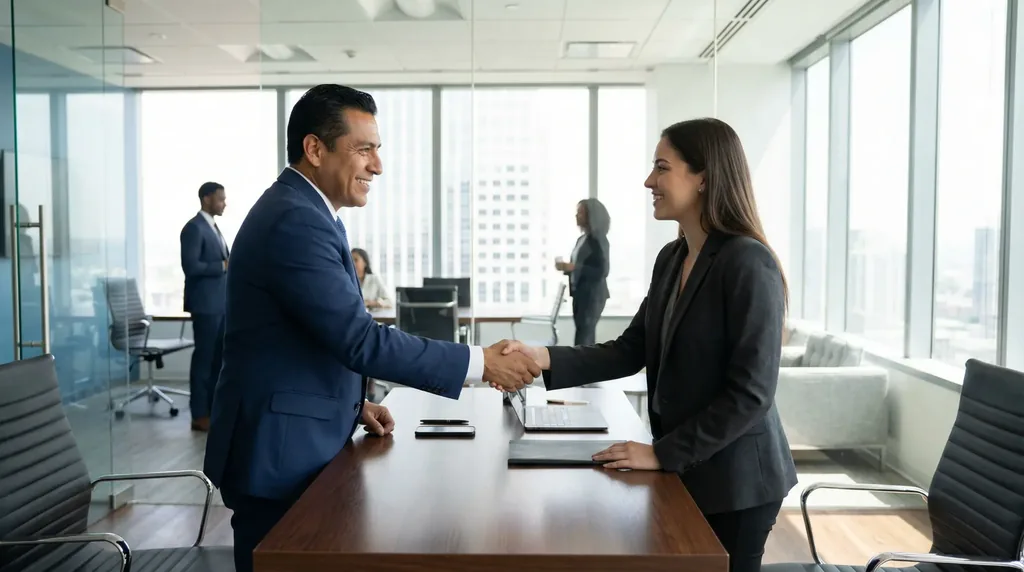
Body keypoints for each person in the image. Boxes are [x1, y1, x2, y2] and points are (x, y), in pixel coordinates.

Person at [203, 84, 540, 572]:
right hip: (277, 451)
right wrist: (480, 362)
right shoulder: (295, 220)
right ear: (314, 149)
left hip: (294, 436)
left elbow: (304, 339)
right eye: (364, 149)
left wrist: (349, 404)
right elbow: (357, 338)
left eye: (377, 149)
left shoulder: (311, 213)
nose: (377, 166)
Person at [500, 118, 797, 572]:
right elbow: (630, 348)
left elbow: (751, 394)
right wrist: (542, 358)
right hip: (689, 466)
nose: (648, 181)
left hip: (738, 479)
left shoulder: (746, 262)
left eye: (662, 168)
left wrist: (662, 453)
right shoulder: (673, 256)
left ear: (703, 177)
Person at [179, 181, 229, 432]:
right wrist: (222, 266)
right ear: (207, 198)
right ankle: (199, 414)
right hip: (205, 305)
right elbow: (191, 266)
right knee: (204, 361)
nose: (224, 203)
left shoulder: (214, 227)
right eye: (220, 199)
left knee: (217, 361)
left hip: (219, 305)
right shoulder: (194, 228)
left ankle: (212, 411)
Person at [555, 198, 610, 345]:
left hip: (593, 296)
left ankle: (583, 367)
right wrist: (567, 268)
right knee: (582, 335)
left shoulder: (598, 239)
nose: (576, 216)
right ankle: (584, 366)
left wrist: (574, 267)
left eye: (580, 212)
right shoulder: (582, 239)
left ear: (591, 215)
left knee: (584, 336)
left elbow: (603, 270)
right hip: (580, 294)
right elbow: (579, 266)